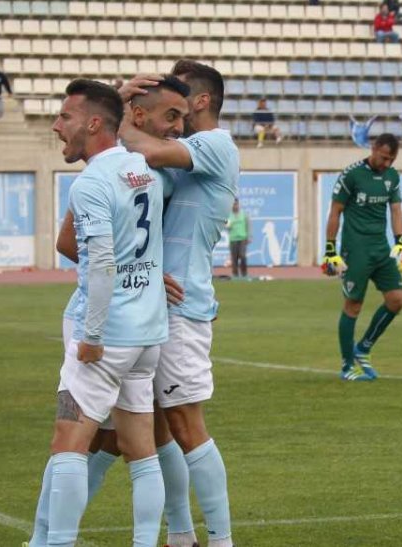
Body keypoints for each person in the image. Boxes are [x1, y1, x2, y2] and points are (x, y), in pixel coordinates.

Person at [36, 74, 193, 547]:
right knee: (141, 453)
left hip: (108, 337)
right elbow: (141, 243)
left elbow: (101, 261)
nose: (57, 125)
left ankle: (55, 544)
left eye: (65, 116)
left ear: (95, 123)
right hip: (148, 334)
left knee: (68, 445)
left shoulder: (90, 184)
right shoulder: (143, 169)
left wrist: (92, 335)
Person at [119, 61, 241, 547]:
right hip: (153, 301)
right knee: (156, 425)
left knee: (188, 425)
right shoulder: (184, 156)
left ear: (202, 101)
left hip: (182, 308)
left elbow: (139, 145)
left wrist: (122, 105)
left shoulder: (215, 144)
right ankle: (181, 533)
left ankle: (222, 539)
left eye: (178, 95)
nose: (169, 102)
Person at [321, 134, 402, 381]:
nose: (387, 164)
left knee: (397, 300)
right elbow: (335, 212)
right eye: (384, 158)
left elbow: (396, 209)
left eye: (391, 159)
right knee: (353, 305)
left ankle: (364, 348)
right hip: (355, 250)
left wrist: (400, 242)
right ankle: (347, 366)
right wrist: (330, 250)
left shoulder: (392, 177)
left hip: (381, 249)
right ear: (373, 148)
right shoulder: (352, 175)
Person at [226, 199, 250, 279]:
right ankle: (235, 274)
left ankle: (244, 274)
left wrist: (249, 236)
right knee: (234, 258)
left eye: (236, 204)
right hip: (233, 238)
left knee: (243, 256)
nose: (235, 206)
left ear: (238, 204)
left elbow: (248, 225)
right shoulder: (229, 215)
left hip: (242, 238)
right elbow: (226, 226)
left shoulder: (243, 214)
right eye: (233, 204)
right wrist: (227, 225)